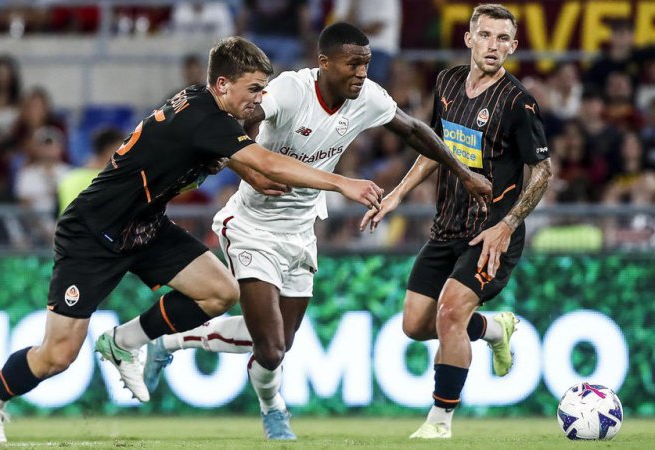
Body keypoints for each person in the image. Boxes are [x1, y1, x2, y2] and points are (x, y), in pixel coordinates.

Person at [0, 36, 386, 443]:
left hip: (145, 226)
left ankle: (124, 342)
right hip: (94, 232)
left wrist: (255, 174)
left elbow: (231, 157)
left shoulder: (204, 107)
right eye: (254, 89)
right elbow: (265, 161)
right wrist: (341, 182)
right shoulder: (206, 119)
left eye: (264, 89)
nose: (261, 98)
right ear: (222, 84)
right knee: (57, 355)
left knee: (220, 292)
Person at [143, 22, 493, 440]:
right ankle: (275, 410)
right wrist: (246, 169)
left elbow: (415, 130)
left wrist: (463, 174)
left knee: (278, 344)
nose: (361, 73)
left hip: (301, 232)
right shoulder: (290, 90)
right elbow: (233, 119)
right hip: (252, 227)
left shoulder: (368, 97)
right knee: (271, 347)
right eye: (352, 64)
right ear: (324, 63)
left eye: (366, 64)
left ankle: (170, 342)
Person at [360, 4, 552, 439]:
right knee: (414, 325)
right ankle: (493, 328)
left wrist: (507, 225)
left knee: (449, 314)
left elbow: (543, 172)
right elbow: (436, 150)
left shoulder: (518, 102)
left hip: (491, 235)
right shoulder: (447, 82)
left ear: (513, 47)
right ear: (469, 39)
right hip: (446, 227)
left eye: (503, 39)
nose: (493, 46)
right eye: (485, 35)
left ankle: (440, 422)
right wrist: (396, 195)